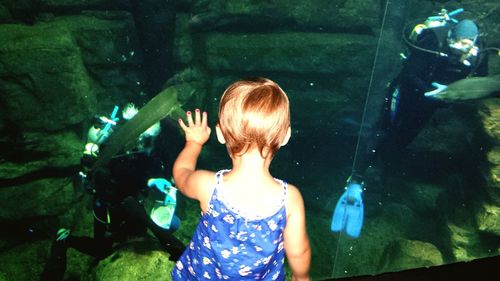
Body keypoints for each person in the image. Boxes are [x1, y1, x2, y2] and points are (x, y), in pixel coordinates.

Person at [332, 9, 489, 238]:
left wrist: (452, 95)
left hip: (431, 104)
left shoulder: (479, 54)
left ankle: (378, 177)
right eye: (457, 44)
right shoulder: (432, 41)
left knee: (401, 140)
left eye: (467, 45)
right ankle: (356, 179)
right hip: (405, 94)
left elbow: (480, 83)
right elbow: (409, 75)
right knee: (383, 130)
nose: (461, 50)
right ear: (450, 38)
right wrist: (434, 92)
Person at [171, 78, 311, 280]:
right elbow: (299, 252)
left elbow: (181, 174)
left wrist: (194, 143)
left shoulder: (207, 186)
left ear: (220, 133)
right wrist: (302, 277)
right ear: (285, 136)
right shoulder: (290, 200)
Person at [40, 103, 185, 281]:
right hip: (106, 206)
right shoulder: (113, 150)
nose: (146, 143)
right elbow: (108, 175)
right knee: (101, 250)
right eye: (145, 138)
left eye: (149, 139)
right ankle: (65, 239)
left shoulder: (148, 153)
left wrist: (154, 181)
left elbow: (147, 173)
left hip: (132, 206)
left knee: (148, 231)